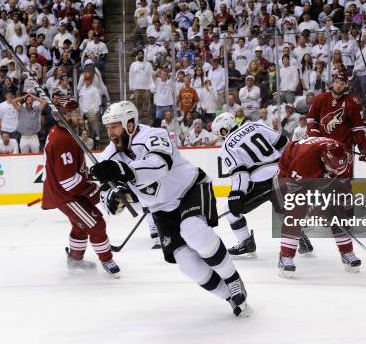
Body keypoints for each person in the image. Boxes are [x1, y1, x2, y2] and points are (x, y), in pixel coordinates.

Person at [90, 101, 251, 317]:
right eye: (107, 127)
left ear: (130, 124)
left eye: (115, 126)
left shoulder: (154, 135)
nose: (110, 133)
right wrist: (112, 199)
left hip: (190, 188)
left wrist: (123, 171)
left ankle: (233, 280)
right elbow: (106, 199)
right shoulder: (108, 157)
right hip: (161, 209)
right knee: (186, 263)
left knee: (193, 230)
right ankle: (230, 297)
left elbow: (159, 164)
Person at [41, 95, 120, 277]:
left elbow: (72, 172)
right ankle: (107, 259)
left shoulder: (63, 132)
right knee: (97, 224)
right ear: (62, 116)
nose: (79, 115)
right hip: (66, 195)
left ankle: (75, 260)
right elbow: (68, 182)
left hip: (65, 192)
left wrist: (90, 177)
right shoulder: (62, 140)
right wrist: (93, 190)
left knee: (81, 225)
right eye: (73, 112)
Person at [277, 136, 361, 277]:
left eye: (338, 170)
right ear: (323, 159)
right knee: (295, 211)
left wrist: (347, 205)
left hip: (315, 169)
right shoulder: (304, 160)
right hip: (289, 172)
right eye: (332, 169)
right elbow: (297, 189)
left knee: (337, 210)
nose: (336, 173)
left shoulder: (342, 156)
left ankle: (347, 252)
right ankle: (285, 257)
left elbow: (343, 184)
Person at [212, 112, 289, 257]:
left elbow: (240, 173)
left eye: (220, 133)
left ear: (224, 130)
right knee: (284, 212)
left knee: (230, 210)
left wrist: (236, 194)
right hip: (280, 176)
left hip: (260, 184)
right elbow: (283, 142)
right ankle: (302, 241)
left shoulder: (227, 146)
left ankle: (246, 243)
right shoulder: (254, 125)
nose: (221, 136)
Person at [306, 71, 366, 162]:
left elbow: (358, 129)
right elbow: (311, 120)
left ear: (346, 86)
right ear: (332, 83)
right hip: (323, 147)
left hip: (344, 148)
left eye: (342, 84)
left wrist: (364, 147)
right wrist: (314, 135)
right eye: (336, 82)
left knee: (343, 175)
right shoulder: (320, 98)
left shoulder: (352, 102)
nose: (338, 86)